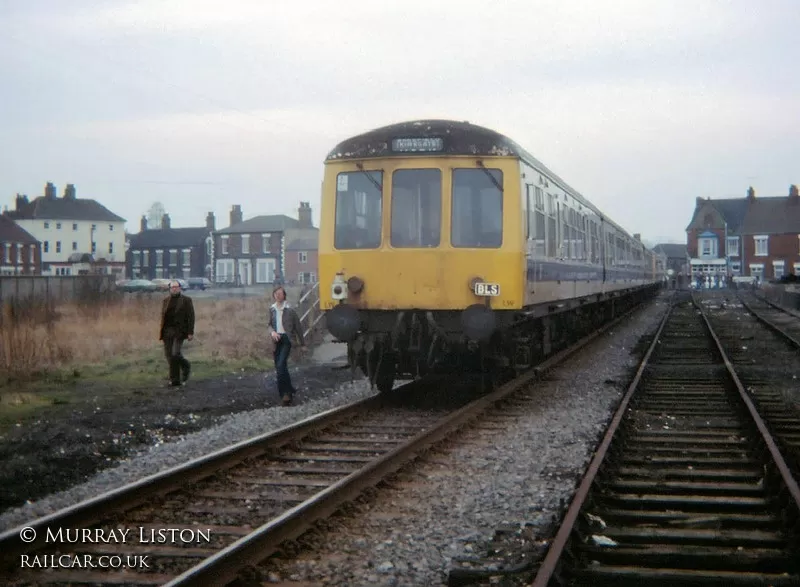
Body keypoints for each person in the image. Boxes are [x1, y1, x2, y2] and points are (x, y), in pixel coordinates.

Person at [267, 286, 306, 406]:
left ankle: (286, 394)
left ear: (284, 296)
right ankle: (289, 390)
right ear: (274, 296)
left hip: (287, 340)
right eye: (276, 294)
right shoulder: (272, 309)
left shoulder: (290, 310)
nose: (278, 295)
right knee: (279, 367)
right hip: (276, 340)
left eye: (280, 293)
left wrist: (302, 344)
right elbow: (269, 325)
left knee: (280, 365)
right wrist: (272, 332)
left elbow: (298, 327)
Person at [159, 280, 195, 387]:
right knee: (169, 356)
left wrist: (190, 332)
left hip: (179, 331)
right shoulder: (166, 301)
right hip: (167, 332)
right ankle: (174, 380)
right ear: (170, 289)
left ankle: (186, 366)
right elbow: (163, 317)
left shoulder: (186, 300)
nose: (174, 289)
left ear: (180, 288)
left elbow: (191, 317)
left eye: (176, 287)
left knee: (175, 353)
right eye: (172, 287)